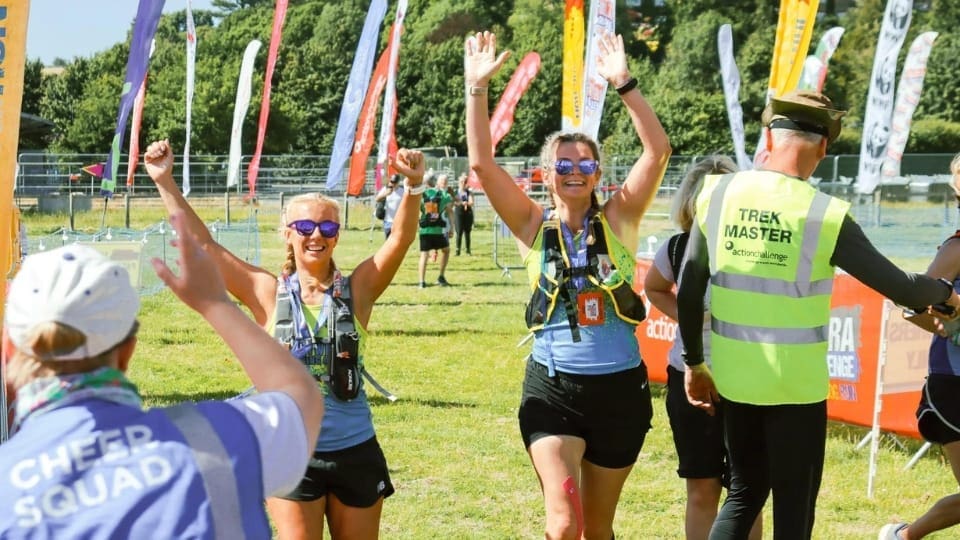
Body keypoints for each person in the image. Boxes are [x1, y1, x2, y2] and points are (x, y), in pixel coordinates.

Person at [676, 90, 960, 539]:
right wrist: (946, 291)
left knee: (743, 496)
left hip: (735, 378)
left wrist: (694, 363)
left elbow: (690, 288)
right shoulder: (824, 213)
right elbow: (900, 286)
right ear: (824, 148)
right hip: (796, 388)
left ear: (768, 135)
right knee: (793, 510)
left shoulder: (719, 191)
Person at [144, 139, 426, 540]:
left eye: (327, 227)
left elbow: (399, 240)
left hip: (355, 448)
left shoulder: (357, 290)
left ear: (337, 235)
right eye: (305, 227)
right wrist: (165, 181)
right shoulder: (265, 292)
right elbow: (204, 246)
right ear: (288, 234)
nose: (317, 235)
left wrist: (413, 187)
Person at [0, 212, 324, 537]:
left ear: (8, 351)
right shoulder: (223, 437)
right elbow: (301, 397)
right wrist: (215, 304)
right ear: (127, 351)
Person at [465, 30, 671, 539]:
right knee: (563, 525)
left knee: (597, 529)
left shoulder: (619, 217)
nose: (574, 172)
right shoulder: (532, 225)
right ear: (546, 174)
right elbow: (481, 166)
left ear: (598, 172)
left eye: (585, 164)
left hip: (621, 389)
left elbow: (658, 150)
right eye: (564, 165)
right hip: (553, 388)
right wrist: (477, 90)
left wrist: (624, 83)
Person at [644, 156, 762, 540]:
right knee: (702, 488)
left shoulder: (753, 249)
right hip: (689, 380)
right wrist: (688, 317)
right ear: (690, 202)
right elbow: (654, 287)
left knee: (747, 490)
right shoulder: (677, 248)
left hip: (747, 379)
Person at [879, 152, 960, 540]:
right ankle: (905, 536)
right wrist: (948, 326)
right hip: (953, 382)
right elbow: (912, 302)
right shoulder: (956, 248)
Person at [418, 172, 454, 288]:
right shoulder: (444, 194)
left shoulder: (421, 195)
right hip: (439, 230)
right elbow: (450, 210)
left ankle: (421, 282)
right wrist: (452, 227)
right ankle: (441, 277)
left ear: (425, 183)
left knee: (424, 255)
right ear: (435, 182)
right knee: (446, 250)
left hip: (424, 230)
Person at [375, 174, 405, 239]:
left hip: (399, 221)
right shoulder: (386, 189)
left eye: (394, 182)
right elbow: (377, 199)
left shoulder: (403, 191)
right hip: (388, 221)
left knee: (397, 242)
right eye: (391, 182)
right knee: (388, 242)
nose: (393, 184)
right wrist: (386, 194)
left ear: (398, 182)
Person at [454, 173, 475, 256]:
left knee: (467, 232)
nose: (463, 183)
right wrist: (461, 203)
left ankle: (468, 250)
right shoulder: (456, 192)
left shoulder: (469, 192)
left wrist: (467, 203)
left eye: (465, 182)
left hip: (468, 213)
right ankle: (457, 250)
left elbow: (471, 202)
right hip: (458, 213)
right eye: (462, 182)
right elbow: (454, 202)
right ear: (459, 182)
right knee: (459, 232)